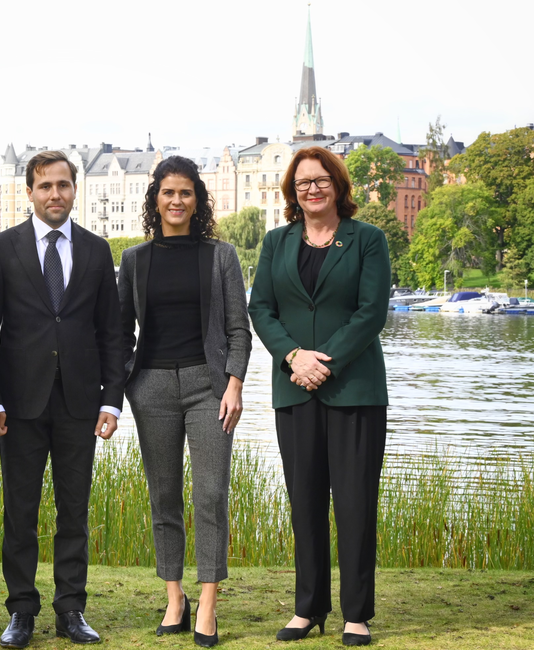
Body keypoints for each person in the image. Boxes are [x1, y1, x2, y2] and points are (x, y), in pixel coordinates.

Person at [0, 150, 125, 648]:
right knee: (19, 512)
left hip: (81, 403)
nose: (55, 194)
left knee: (74, 512)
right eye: (45, 186)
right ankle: (21, 609)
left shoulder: (96, 250)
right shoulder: (1, 249)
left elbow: (112, 333)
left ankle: (71, 609)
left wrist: (112, 401)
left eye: (63, 185)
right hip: (18, 405)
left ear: (74, 189)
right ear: (29, 192)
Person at [248, 146, 390, 647]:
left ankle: (356, 613)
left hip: (354, 390)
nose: (312, 188)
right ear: (292, 191)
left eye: (321, 179)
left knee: (354, 503)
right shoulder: (275, 242)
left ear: (338, 185)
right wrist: (293, 358)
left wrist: (321, 361)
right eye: (303, 181)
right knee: (304, 502)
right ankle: (307, 608)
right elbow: (260, 308)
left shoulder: (367, 240)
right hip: (293, 390)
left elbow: (371, 312)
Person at [117, 155, 251, 647]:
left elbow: (239, 327)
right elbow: (119, 331)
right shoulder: (134, 260)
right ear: (156, 199)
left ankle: (209, 603)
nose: (177, 201)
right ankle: (175, 596)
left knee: (211, 494)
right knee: (164, 496)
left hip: (207, 387)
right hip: (150, 387)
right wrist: (126, 384)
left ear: (199, 200)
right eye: (168, 192)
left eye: (186, 192)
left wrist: (233, 383)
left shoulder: (221, 256)